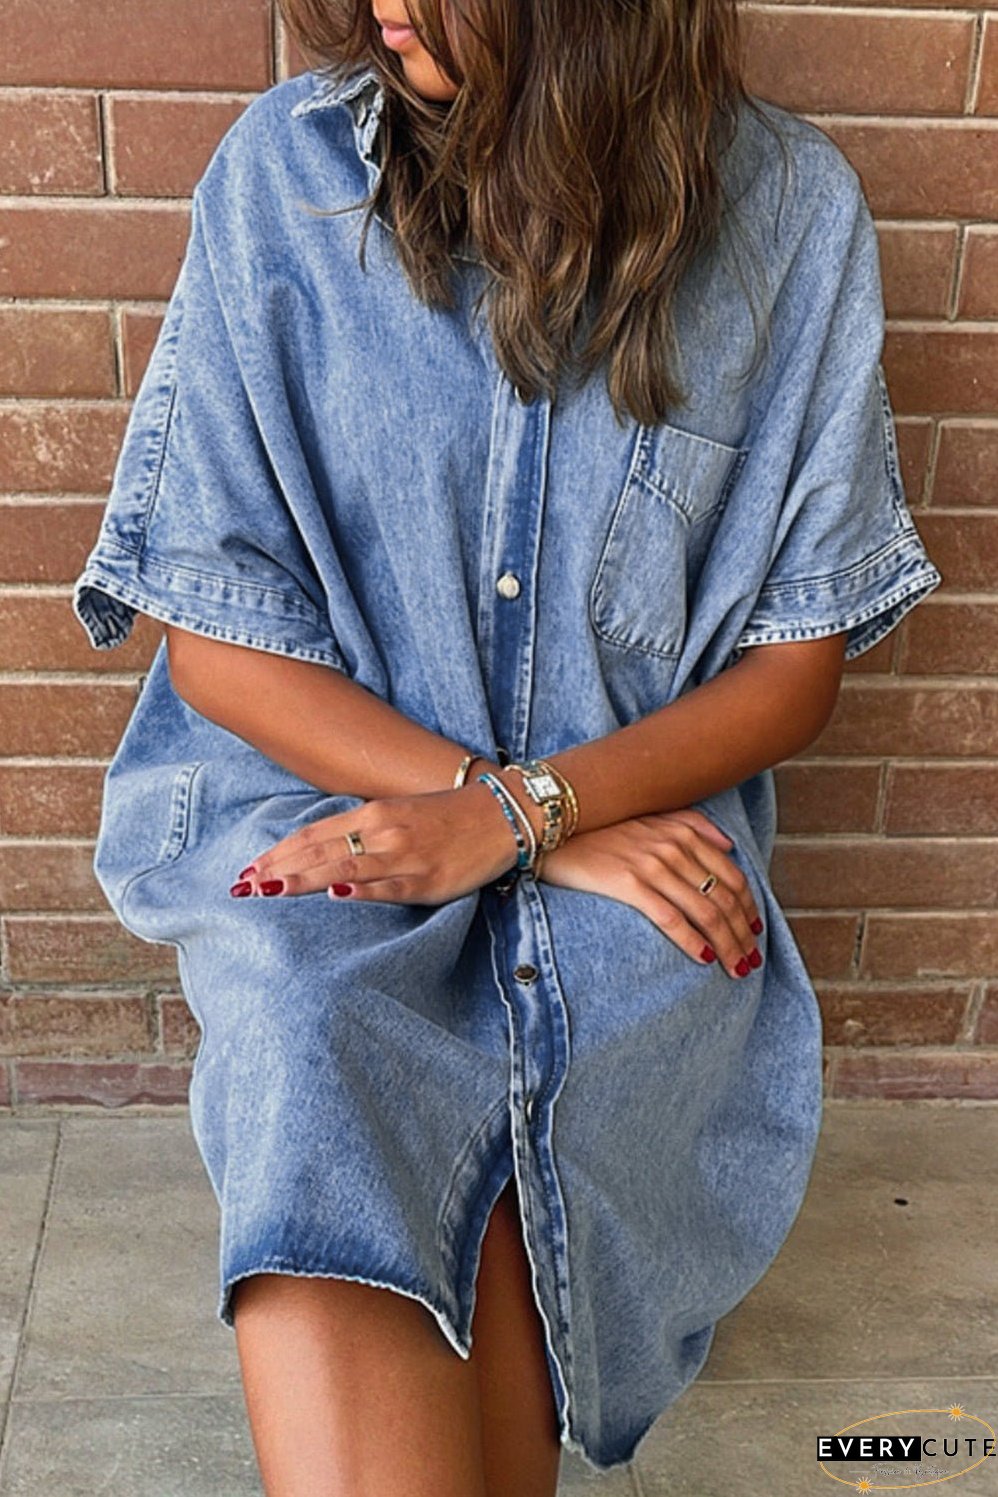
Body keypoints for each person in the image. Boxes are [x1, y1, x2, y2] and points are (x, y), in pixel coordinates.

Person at [71, 0, 943, 1492]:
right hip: (325, 786)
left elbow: (792, 666)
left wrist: (536, 813)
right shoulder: (282, 180)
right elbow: (211, 631)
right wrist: (516, 812)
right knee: (314, 1032)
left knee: (532, 1114)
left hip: (635, 818)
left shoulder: (791, 216)